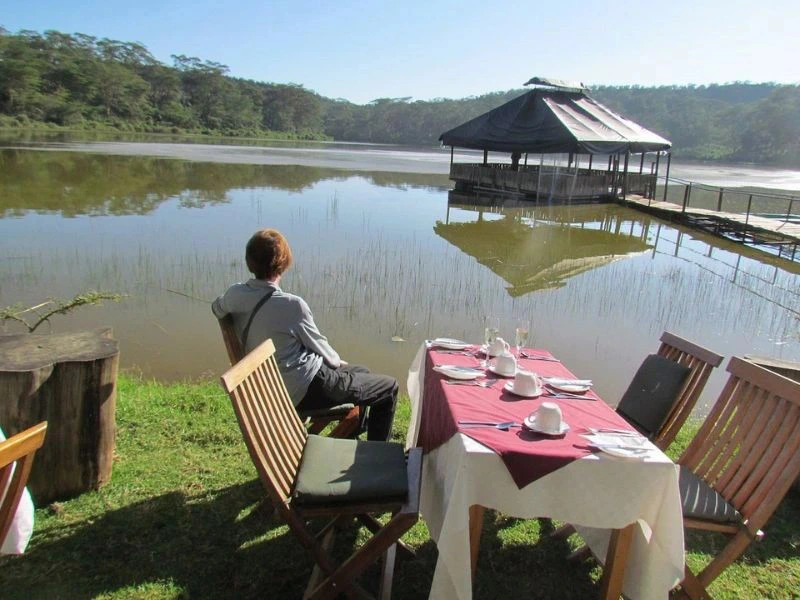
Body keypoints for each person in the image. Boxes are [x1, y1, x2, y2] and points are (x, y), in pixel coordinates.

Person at [212, 228, 398, 441]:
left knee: (363, 372)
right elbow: (324, 351)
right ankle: (375, 456)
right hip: (305, 387)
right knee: (388, 388)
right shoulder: (291, 305)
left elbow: (217, 307)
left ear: (249, 261)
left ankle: (351, 433)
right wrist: (338, 362)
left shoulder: (235, 294)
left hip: (273, 384)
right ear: (283, 263)